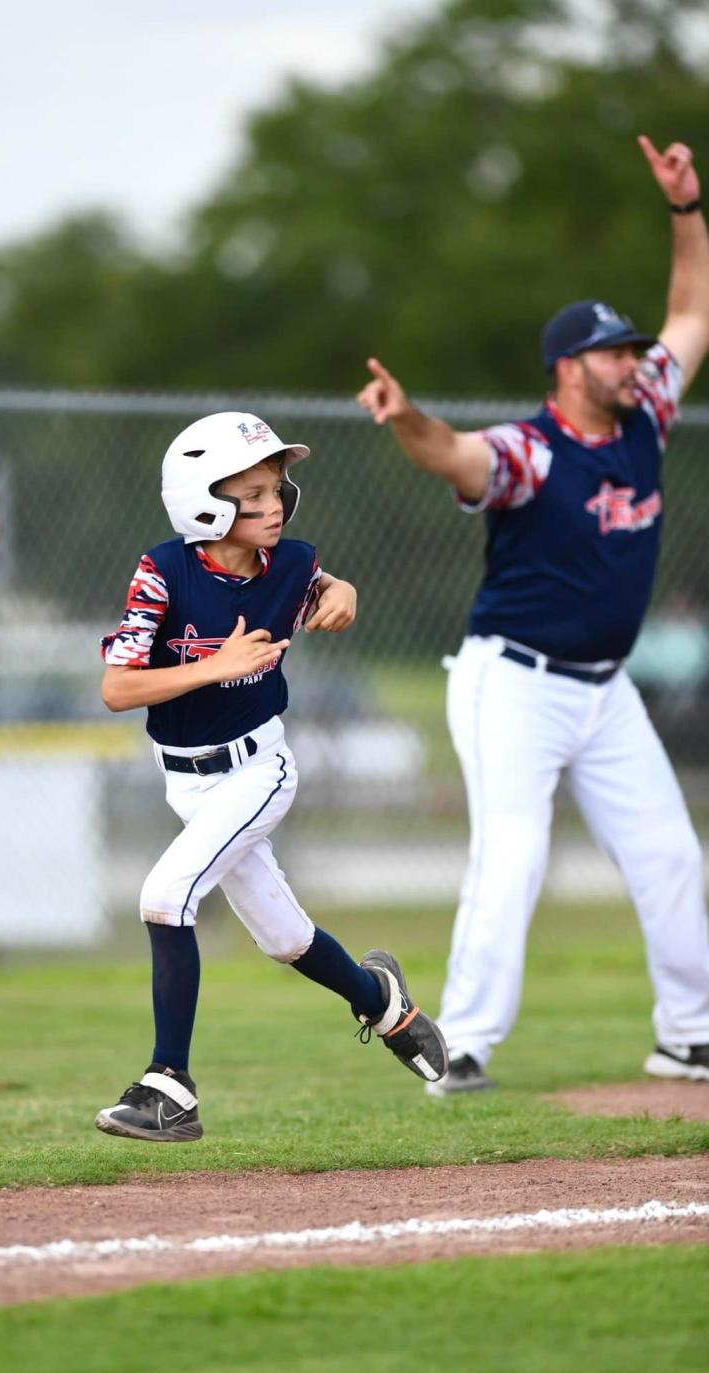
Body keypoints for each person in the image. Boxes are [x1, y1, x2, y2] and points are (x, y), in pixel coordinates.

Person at [357, 135, 709, 1095]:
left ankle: (689, 1035)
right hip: (513, 680)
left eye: (632, 350)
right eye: (612, 352)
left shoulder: (646, 415)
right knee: (512, 855)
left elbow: (693, 308)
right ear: (567, 369)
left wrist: (686, 208)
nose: (633, 360)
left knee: (674, 855)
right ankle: (460, 1043)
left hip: (605, 689)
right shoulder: (532, 451)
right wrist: (406, 418)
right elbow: (457, 456)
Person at [95, 411, 448, 1140]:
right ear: (202, 500)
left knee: (165, 896)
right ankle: (385, 1005)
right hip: (185, 781)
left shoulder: (289, 562)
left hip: (259, 767)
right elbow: (117, 688)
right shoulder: (164, 570)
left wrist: (343, 590)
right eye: (251, 493)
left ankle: (170, 1087)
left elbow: (322, 584)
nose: (273, 504)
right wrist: (213, 665)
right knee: (285, 938)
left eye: (276, 488)